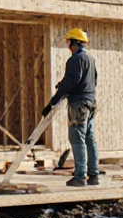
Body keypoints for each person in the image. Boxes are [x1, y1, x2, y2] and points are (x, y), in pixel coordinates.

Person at [41, 28, 99, 187]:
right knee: (90, 138)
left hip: (78, 104)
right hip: (91, 102)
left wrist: (53, 102)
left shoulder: (74, 60)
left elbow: (72, 81)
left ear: (75, 42)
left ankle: (80, 177)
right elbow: (93, 80)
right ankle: (94, 175)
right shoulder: (90, 59)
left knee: (77, 138)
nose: (68, 46)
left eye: (69, 42)